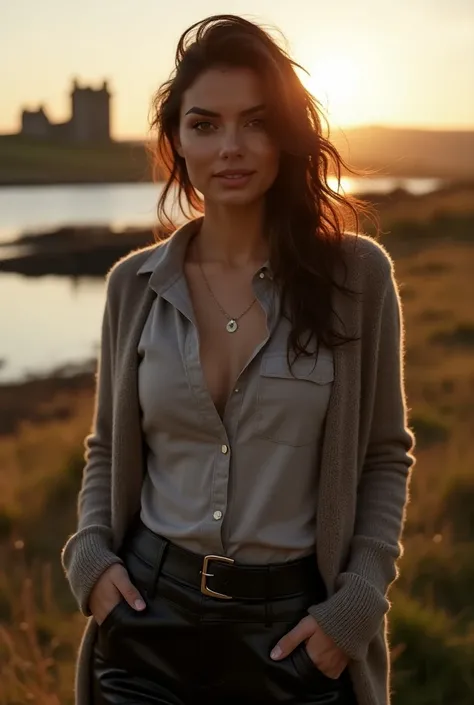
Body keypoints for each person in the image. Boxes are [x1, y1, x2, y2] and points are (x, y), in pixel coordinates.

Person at [60, 14, 415, 705]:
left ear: (285, 135)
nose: (231, 146)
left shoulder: (356, 277)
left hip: (295, 635)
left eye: (255, 122)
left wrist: (358, 601)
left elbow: (383, 453)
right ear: (177, 142)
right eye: (205, 124)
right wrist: (92, 562)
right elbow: (106, 446)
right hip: (143, 623)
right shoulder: (132, 285)